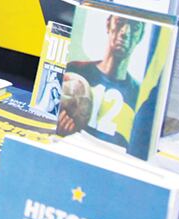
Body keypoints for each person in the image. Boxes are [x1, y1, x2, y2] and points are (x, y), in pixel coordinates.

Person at [58, 14, 144, 146]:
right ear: (108, 24)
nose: (125, 32)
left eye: (135, 27)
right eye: (120, 22)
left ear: (141, 36)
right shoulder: (74, 71)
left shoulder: (140, 96)